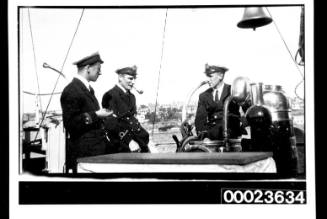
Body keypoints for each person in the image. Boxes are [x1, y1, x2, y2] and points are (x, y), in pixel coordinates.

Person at [60, 52, 113, 173]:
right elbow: (70, 124)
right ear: (88, 68)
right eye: (98, 69)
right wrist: (97, 115)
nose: (100, 72)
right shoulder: (71, 90)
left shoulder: (88, 89)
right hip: (85, 154)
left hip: (95, 151)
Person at [102, 65, 150, 152]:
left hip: (138, 141)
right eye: (130, 79)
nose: (133, 82)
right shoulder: (110, 95)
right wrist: (129, 141)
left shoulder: (132, 97)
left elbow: (132, 121)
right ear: (120, 78)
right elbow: (111, 123)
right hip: (122, 144)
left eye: (134, 79)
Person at [195, 64, 243, 141]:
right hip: (211, 135)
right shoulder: (203, 96)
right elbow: (200, 121)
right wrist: (204, 136)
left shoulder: (233, 90)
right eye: (207, 77)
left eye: (210, 76)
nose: (208, 80)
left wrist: (242, 124)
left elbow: (248, 109)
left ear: (220, 76)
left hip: (231, 133)